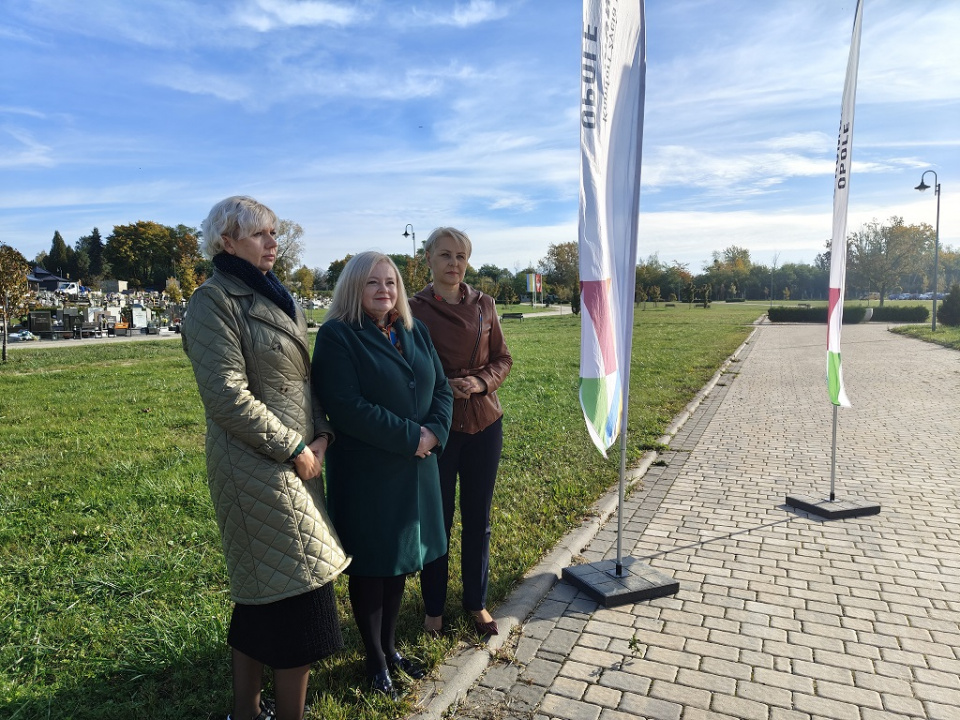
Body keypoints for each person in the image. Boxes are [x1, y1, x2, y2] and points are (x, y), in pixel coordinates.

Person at [182, 196, 350, 720]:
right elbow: (226, 396)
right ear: (226, 242)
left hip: (296, 458)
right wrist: (295, 446)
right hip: (253, 463)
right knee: (300, 594)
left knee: (267, 590)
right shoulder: (213, 300)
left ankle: (246, 712)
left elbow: (302, 378)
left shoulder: (280, 297)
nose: (273, 242)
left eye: (275, 233)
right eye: (260, 234)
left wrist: (320, 432)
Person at [312, 251, 453, 700]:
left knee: (400, 564)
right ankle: (374, 661)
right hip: (370, 473)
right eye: (373, 283)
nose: (384, 291)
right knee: (374, 567)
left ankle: (391, 649)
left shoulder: (413, 329)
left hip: (417, 468)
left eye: (390, 282)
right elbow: (346, 406)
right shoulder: (338, 335)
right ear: (354, 287)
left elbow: (442, 388)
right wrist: (412, 437)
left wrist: (435, 431)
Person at [409, 227, 513, 638]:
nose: (454, 264)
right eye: (445, 255)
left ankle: (476, 602)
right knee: (438, 521)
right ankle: (433, 608)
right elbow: (408, 364)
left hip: (485, 421)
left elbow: (503, 358)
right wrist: (441, 383)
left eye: (461, 257)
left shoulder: (485, 305)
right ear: (429, 259)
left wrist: (482, 381)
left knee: (478, 518)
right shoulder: (412, 307)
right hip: (438, 425)